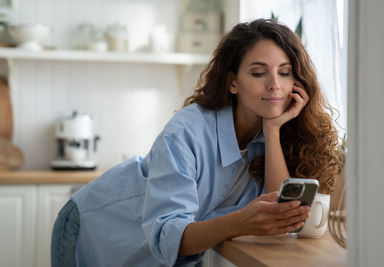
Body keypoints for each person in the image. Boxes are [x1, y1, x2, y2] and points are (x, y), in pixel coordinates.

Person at [51, 19, 340, 267]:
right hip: (96, 228)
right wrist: (241, 221)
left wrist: (274, 129)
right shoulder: (187, 132)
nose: (275, 85)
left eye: (285, 72)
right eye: (258, 72)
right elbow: (167, 235)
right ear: (232, 82)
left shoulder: (270, 135)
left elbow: (279, 215)